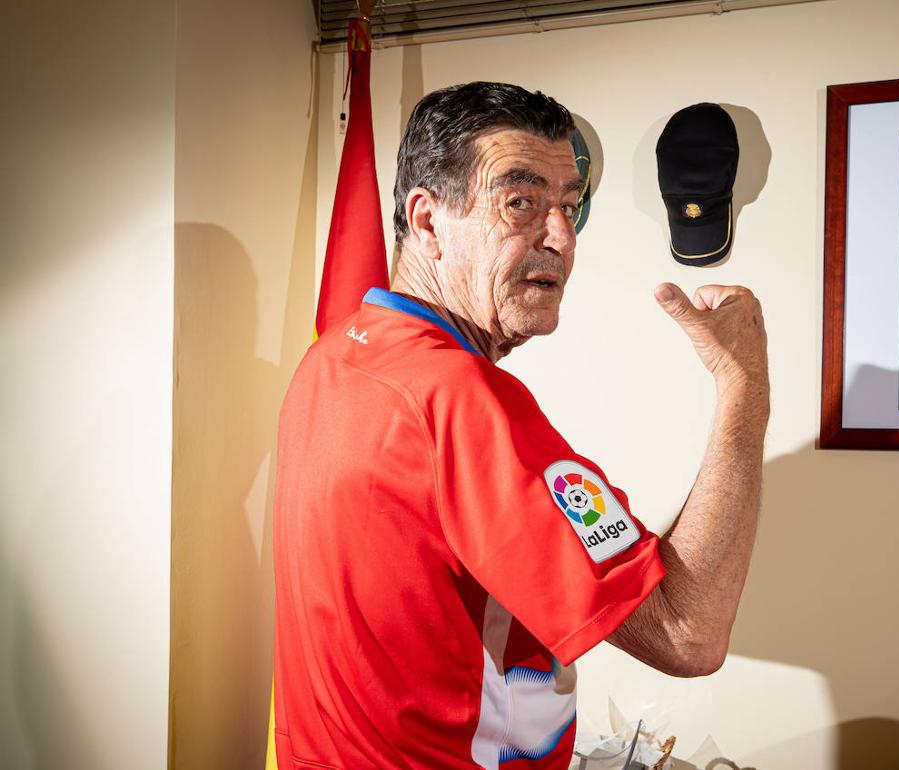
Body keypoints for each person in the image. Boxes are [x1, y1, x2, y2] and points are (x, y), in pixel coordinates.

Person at [272, 81, 770, 770]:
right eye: (521, 203)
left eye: (570, 205)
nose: (562, 237)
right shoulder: (460, 400)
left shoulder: (333, 355)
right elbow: (688, 633)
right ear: (427, 221)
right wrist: (744, 386)